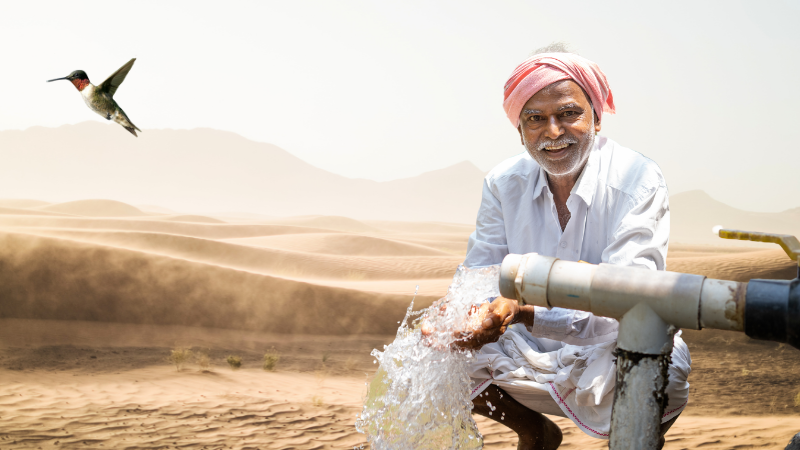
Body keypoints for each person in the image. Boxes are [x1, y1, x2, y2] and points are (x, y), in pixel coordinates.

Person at [457, 44, 691, 449]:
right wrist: (465, 313)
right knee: (437, 347)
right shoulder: (502, 182)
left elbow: (628, 302)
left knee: (660, 372)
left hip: (605, 345)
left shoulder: (637, 179)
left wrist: (526, 310)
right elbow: (480, 272)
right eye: (535, 119)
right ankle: (534, 433)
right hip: (523, 344)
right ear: (520, 130)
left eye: (568, 114)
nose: (552, 132)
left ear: (597, 118)